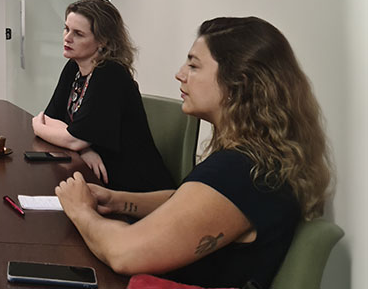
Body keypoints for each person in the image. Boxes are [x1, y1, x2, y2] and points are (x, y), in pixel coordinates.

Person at [55, 17, 333, 288]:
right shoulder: (257, 161)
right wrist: (117, 200)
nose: (180, 74)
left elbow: (124, 253)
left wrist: (81, 211)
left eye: (194, 65)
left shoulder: (238, 173)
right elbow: (192, 202)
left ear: (239, 83)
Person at [32, 0, 173, 192]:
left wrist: (37, 127)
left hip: (133, 188)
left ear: (103, 41)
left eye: (78, 34)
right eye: (66, 29)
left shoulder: (110, 74)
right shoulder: (74, 67)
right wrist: (84, 148)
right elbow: (51, 119)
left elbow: (69, 136)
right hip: (95, 177)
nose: (67, 38)